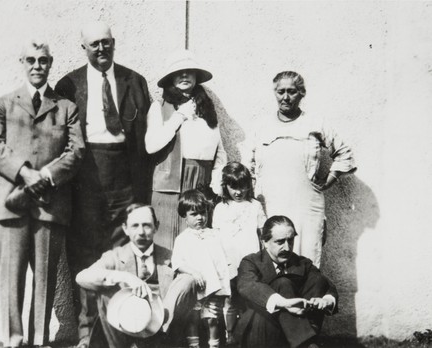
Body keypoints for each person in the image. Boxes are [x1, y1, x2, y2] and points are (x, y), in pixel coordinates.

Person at [54, 21, 151, 347]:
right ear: (83, 47)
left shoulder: (134, 82)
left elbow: (143, 145)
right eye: (94, 43)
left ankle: (126, 329)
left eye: (106, 42)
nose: (101, 49)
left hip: (124, 181)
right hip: (85, 183)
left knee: (126, 255)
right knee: (84, 257)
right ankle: (86, 334)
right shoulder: (68, 85)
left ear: (114, 43)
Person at [0, 39, 84, 347]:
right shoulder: (4, 104)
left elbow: (76, 151)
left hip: (50, 204)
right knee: (11, 281)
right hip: (11, 204)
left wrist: (46, 176)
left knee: (45, 281)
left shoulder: (66, 107)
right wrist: (25, 172)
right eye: (31, 60)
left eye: (43, 61)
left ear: (51, 64)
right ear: (22, 63)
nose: (37, 66)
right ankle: (13, 342)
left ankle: (39, 342)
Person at [243, 71, 356, 267]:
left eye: (292, 92)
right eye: (280, 92)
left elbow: (344, 153)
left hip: (306, 205)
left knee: (307, 257)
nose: (285, 97)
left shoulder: (315, 123)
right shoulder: (261, 126)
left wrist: (329, 180)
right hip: (270, 202)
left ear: (301, 93)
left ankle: (308, 297)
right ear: (274, 93)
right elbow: (246, 164)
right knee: (271, 259)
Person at [76, 203, 198, 348]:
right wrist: (125, 277)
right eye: (135, 226)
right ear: (125, 229)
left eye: (146, 225)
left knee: (187, 279)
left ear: (156, 227)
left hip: (162, 330)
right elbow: (82, 277)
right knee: (106, 288)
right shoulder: (115, 256)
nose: (141, 232)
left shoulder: (171, 257)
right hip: (125, 330)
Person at [145, 49, 227, 251]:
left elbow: (220, 152)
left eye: (189, 71)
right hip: (168, 188)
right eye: (178, 71)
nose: (184, 75)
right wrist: (179, 116)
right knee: (167, 249)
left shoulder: (206, 108)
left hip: (200, 183)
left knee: (197, 248)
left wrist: (216, 181)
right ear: (170, 77)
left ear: (196, 76)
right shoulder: (159, 107)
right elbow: (151, 146)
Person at [236, 215, 338, 348]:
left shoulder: (301, 263)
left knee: (317, 280)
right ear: (264, 242)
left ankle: (303, 340)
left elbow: (325, 284)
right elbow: (248, 285)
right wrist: (284, 303)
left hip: (290, 335)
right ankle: (307, 343)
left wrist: (326, 300)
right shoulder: (251, 262)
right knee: (282, 283)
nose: (287, 248)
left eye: (290, 241)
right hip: (260, 330)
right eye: (280, 242)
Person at [212, 161, 267, 344]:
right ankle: (229, 335)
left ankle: (247, 334)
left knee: (248, 299)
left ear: (248, 186)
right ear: (225, 186)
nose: (237, 192)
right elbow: (216, 236)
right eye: (233, 187)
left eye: (242, 187)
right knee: (230, 300)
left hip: (250, 261)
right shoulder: (220, 208)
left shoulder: (255, 206)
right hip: (229, 261)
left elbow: (263, 233)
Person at [172, 189, 232, 348]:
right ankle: (194, 345)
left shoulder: (214, 235)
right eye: (194, 214)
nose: (200, 217)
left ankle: (214, 346)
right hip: (195, 287)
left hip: (213, 286)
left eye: (203, 213)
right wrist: (193, 272)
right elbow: (177, 263)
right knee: (193, 318)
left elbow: (222, 259)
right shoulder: (182, 239)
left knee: (212, 319)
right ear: (184, 216)